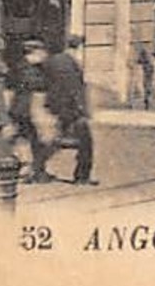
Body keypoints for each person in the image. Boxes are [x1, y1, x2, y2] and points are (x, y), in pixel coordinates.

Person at [38, 36, 95, 185]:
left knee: (59, 141)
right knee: (85, 143)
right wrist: (81, 109)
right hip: (72, 109)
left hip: (61, 108)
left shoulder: (54, 61)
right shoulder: (67, 62)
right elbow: (72, 89)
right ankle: (82, 177)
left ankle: (37, 168)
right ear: (77, 47)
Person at [8, 39, 50, 182]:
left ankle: (30, 168)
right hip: (24, 108)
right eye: (41, 52)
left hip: (24, 108)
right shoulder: (26, 69)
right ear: (33, 52)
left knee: (25, 137)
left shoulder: (28, 67)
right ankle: (28, 169)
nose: (44, 55)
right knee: (29, 138)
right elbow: (36, 84)